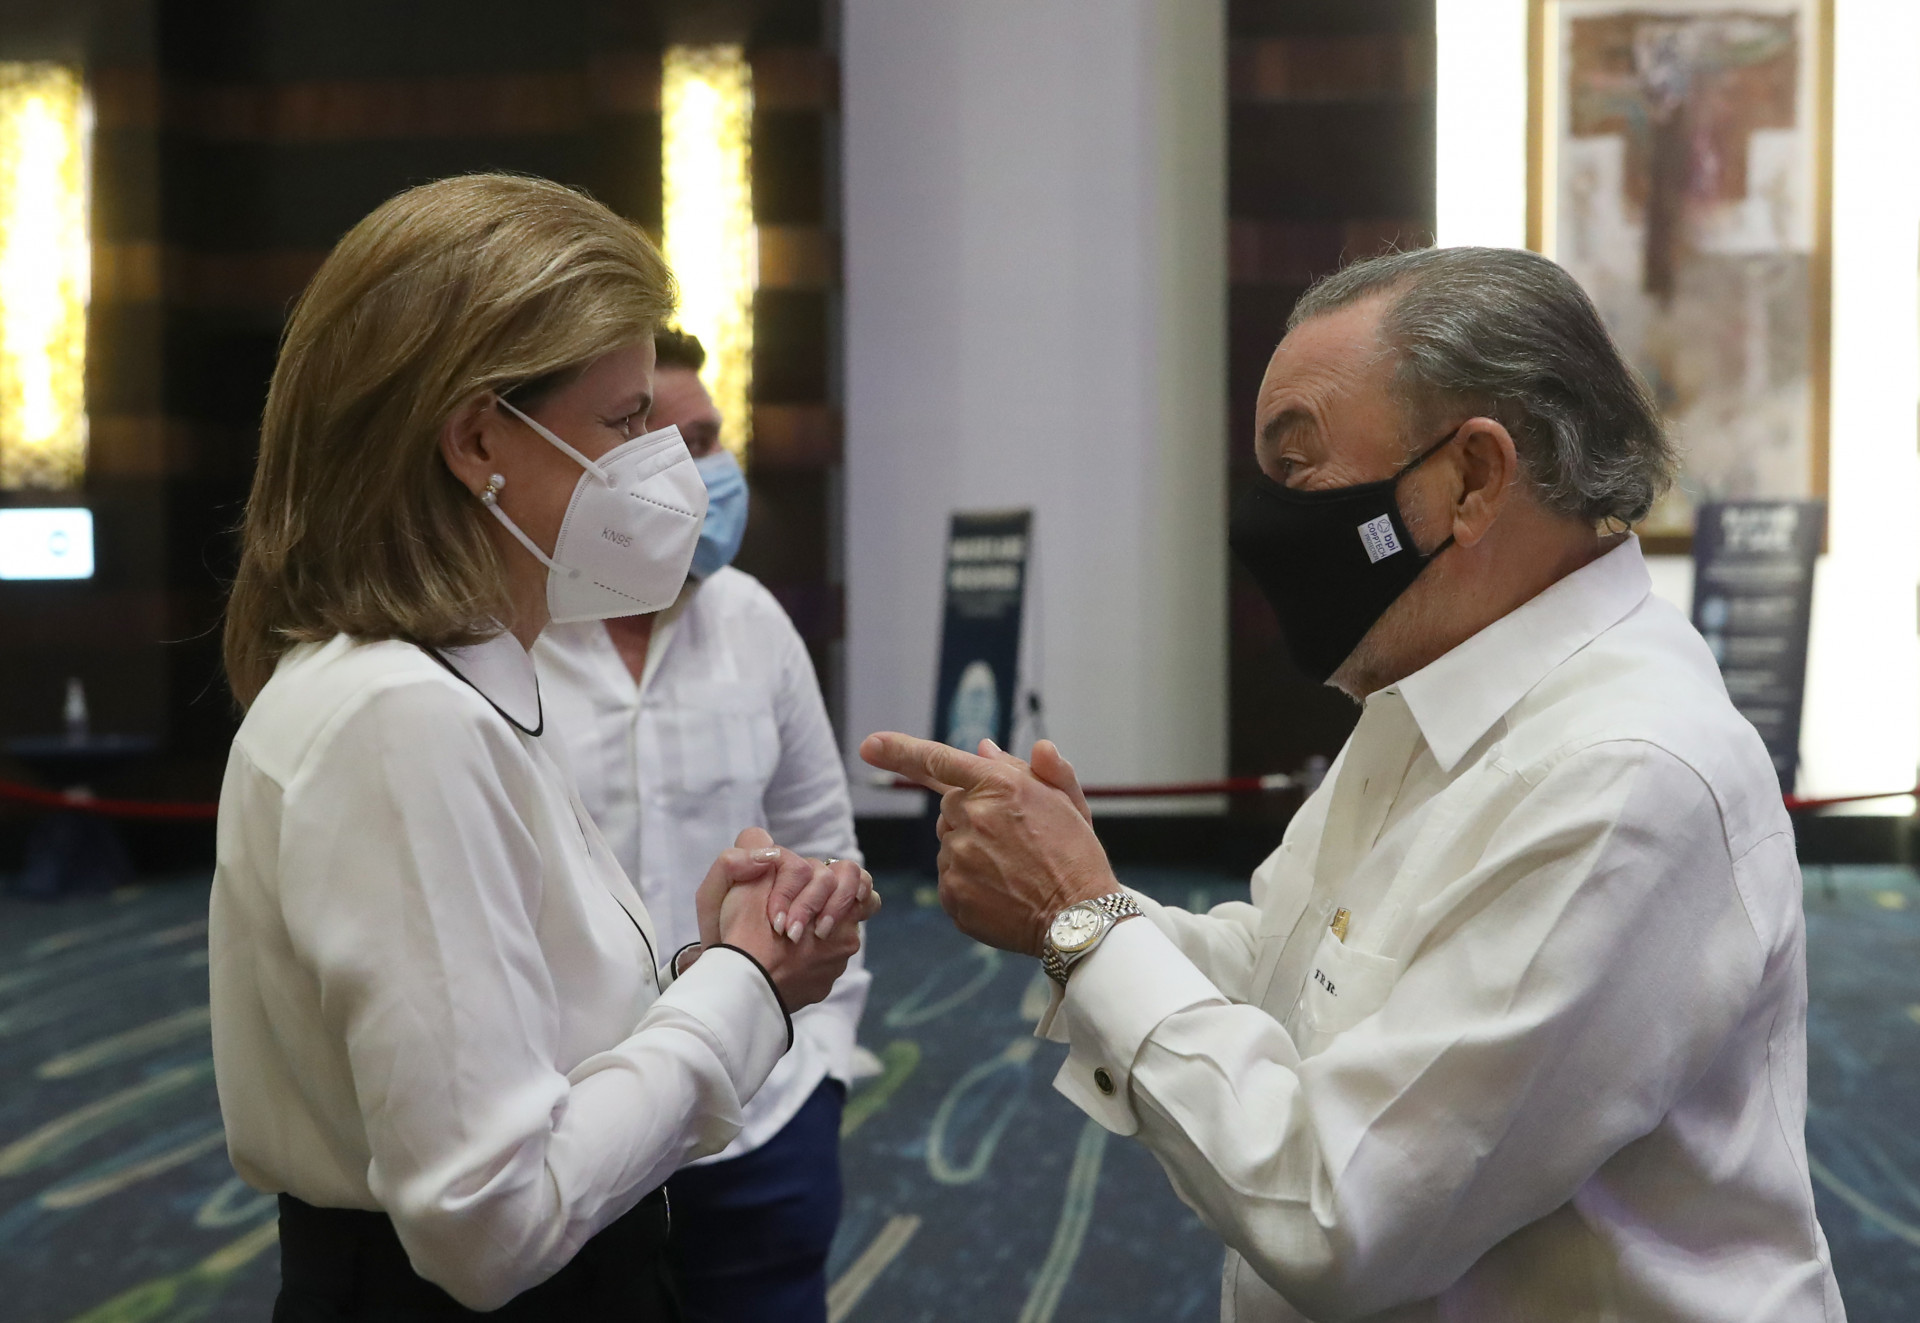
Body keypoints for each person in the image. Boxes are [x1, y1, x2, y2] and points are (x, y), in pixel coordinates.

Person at [864, 247, 1845, 1321]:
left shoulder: (1625, 776)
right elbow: (1285, 968)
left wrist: (1080, 919)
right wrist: (1071, 897)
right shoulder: (1431, 687)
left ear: (1472, 478)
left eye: (1298, 466)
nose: (1263, 521)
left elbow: (1343, 1215)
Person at [211, 173, 878, 1321]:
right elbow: (491, 1219)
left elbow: (522, 1056)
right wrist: (746, 988)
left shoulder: (445, 684)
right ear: (479, 440)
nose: (668, 471)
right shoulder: (401, 720)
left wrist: (703, 967)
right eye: (626, 422)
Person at [533, 326, 867, 1322]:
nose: (705, 473)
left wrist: (824, 1067)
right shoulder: (508, 640)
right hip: (567, 1138)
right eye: (668, 443)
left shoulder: (755, 621)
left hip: (762, 1116)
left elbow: (824, 840)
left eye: (712, 440)